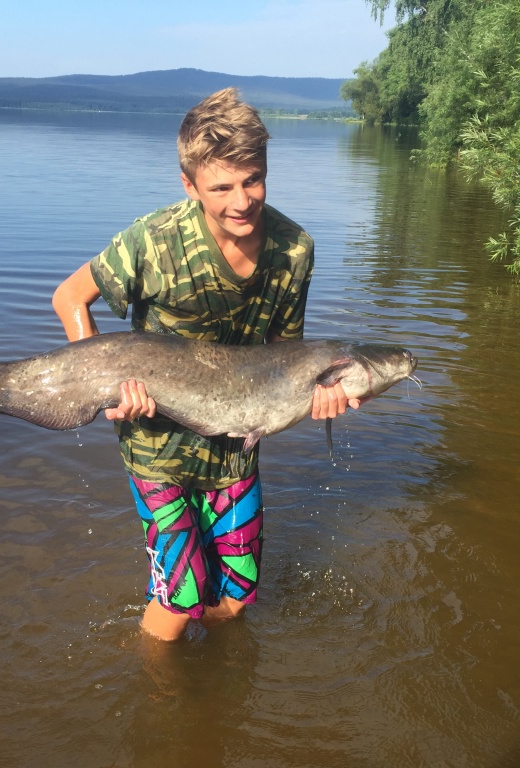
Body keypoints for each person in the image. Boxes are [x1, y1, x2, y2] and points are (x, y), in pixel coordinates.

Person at [52, 88, 358, 642]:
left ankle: (205, 670)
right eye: (221, 187)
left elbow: (286, 355)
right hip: (156, 442)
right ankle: (158, 687)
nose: (242, 201)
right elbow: (70, 297)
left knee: (237, 597)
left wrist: (324, 393)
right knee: (181, 599)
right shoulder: (152, 242)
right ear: (190, 185)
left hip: (235, 443)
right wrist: (108, 386)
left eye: (253, 180)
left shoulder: (294, 250)